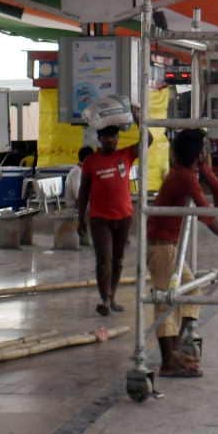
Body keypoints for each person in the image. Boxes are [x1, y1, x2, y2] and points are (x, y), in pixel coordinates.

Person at [146, 129, 218, 378]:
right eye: (204, 149)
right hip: (161, 245)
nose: (207, 153)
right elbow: (205, 213)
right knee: (166, 299)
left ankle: (180, 345)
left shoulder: (191, 172)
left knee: (191, 287)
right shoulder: (183, 176)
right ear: (197, 153)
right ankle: (168, 360)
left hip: (169, 245)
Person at [76, 110, 141, 316]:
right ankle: (104, 299)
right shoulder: (91, 162)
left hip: (124, 217)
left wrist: (138, 117)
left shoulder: (126, 155)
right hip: (99, 219)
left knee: (118, 260)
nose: (111, 140)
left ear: (118, 138)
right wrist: (80, 219)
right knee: (104, 260)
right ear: (100, 139)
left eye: (114, 137)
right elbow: (84, 191)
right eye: (107, 137)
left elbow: (147, 140)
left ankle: (112, 297)